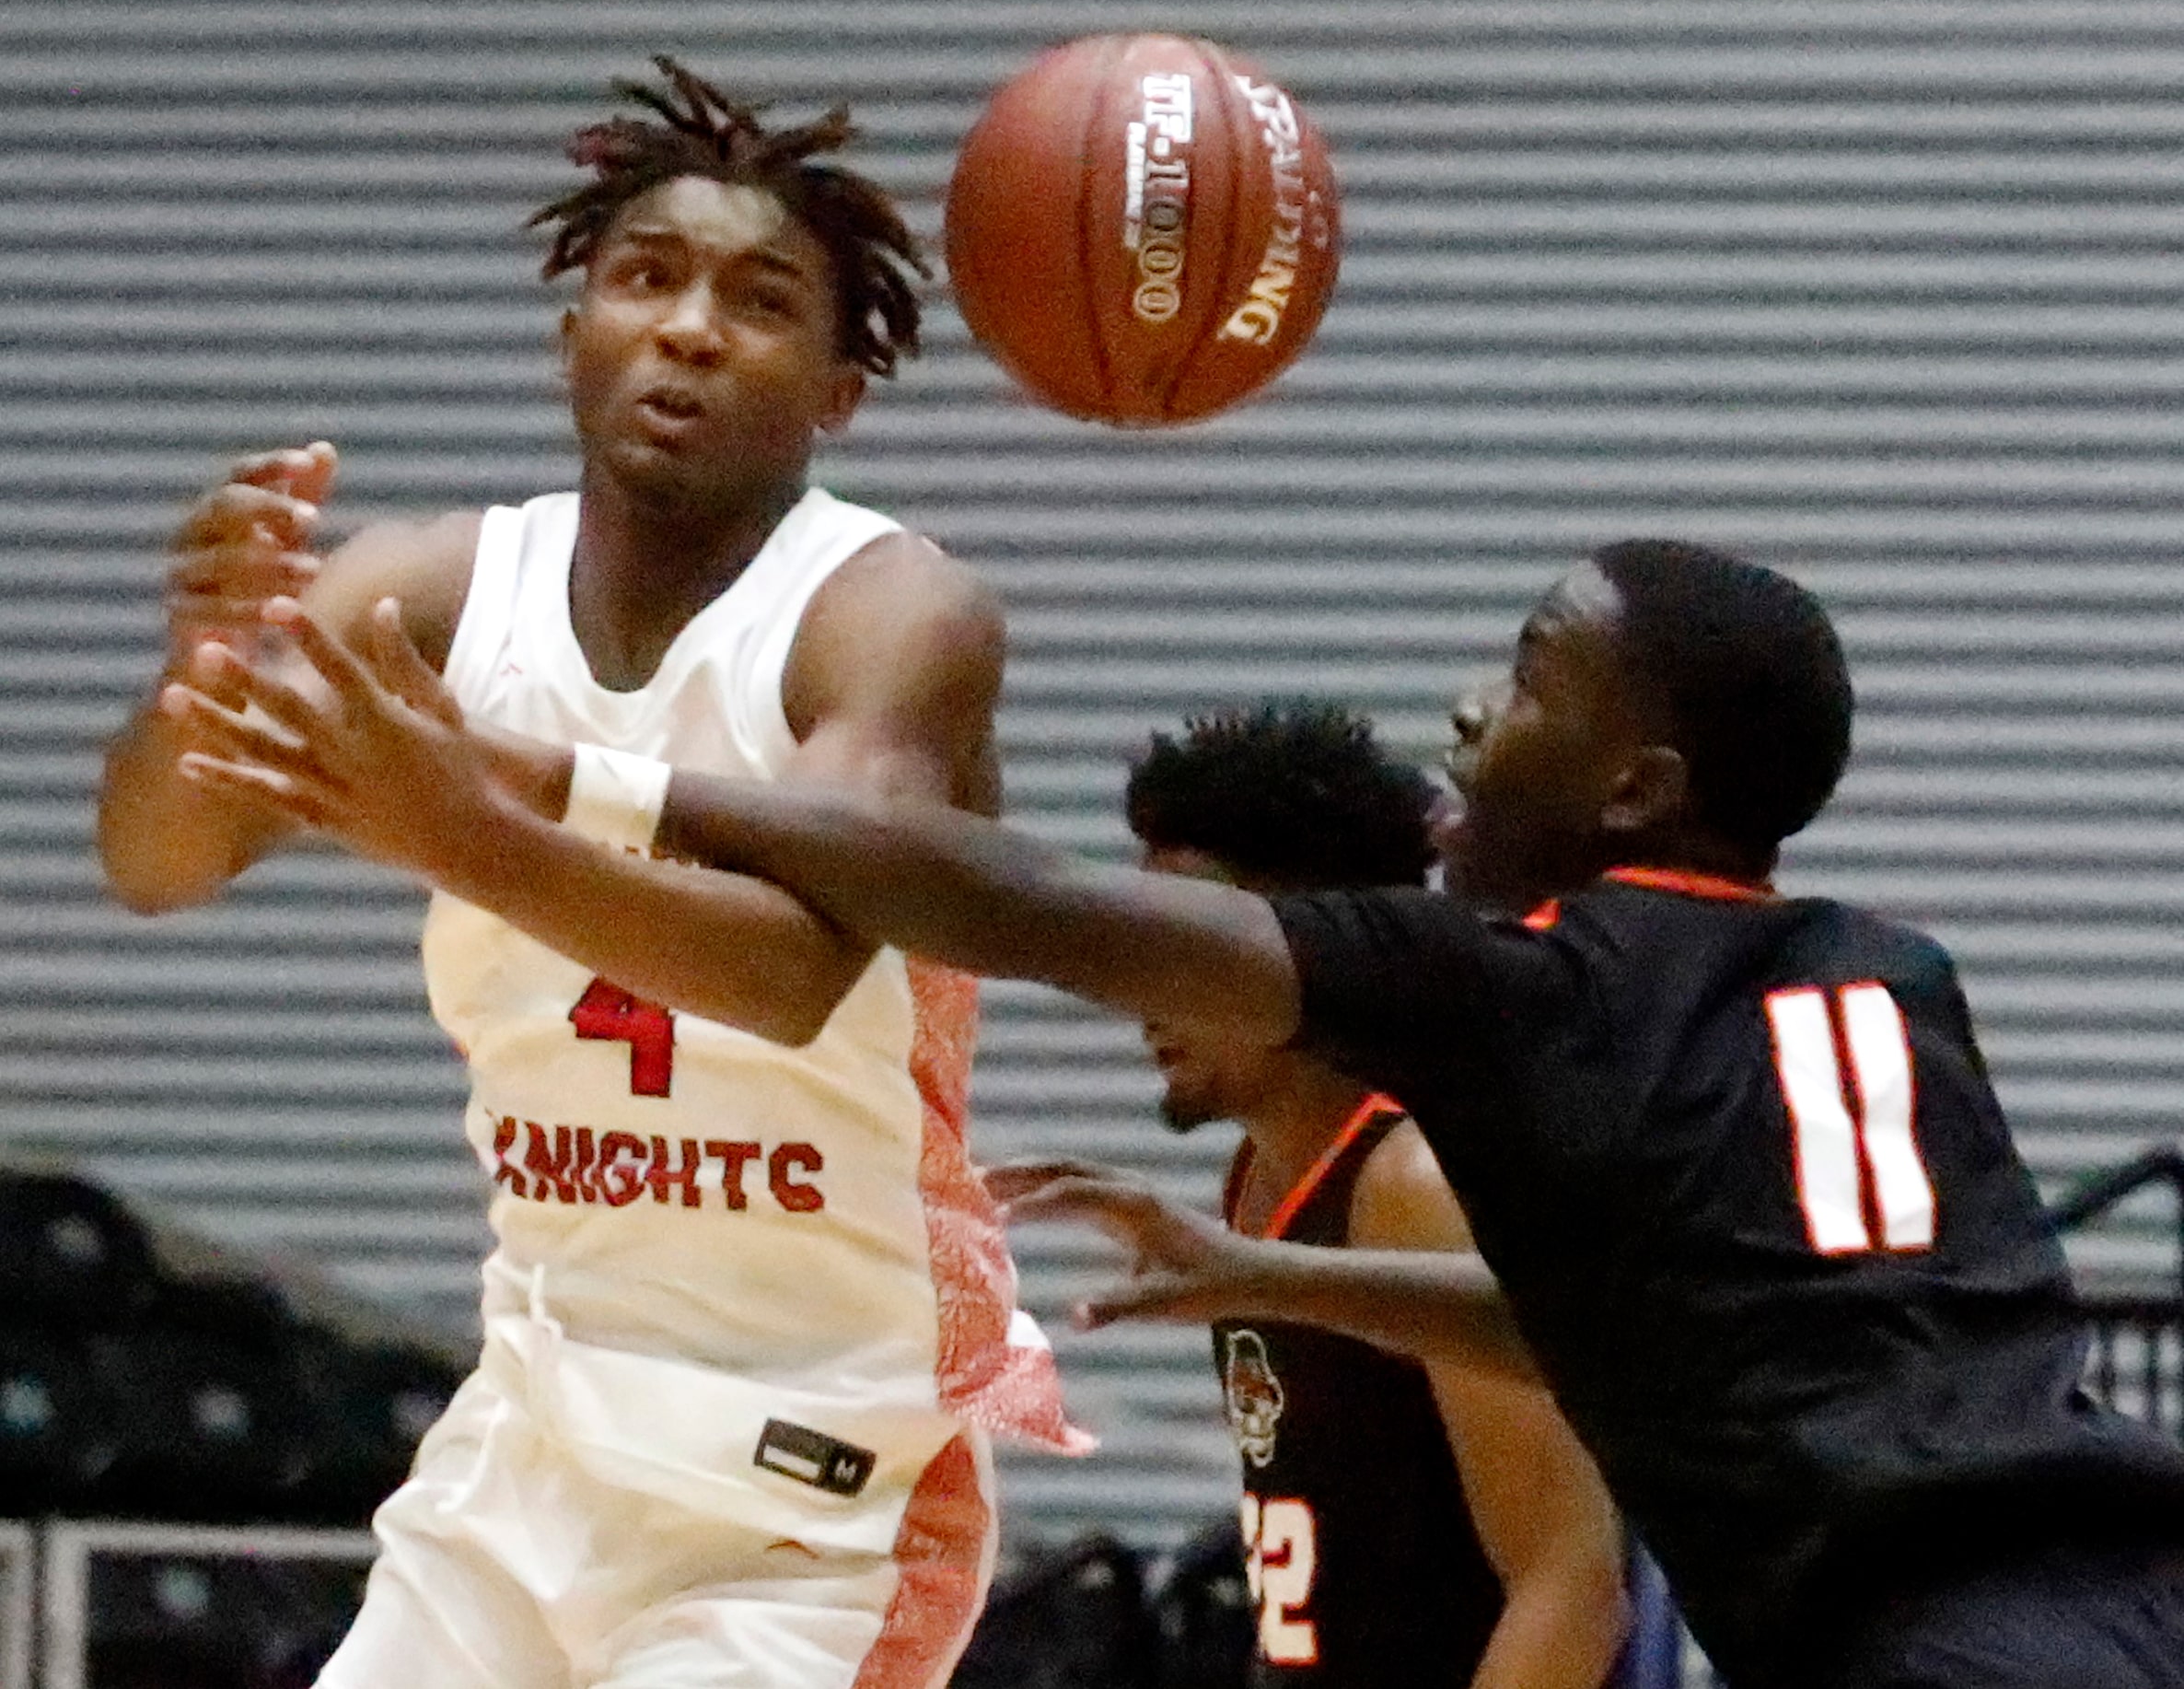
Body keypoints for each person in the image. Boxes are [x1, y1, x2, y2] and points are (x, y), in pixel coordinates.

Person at [164, 535, 2184, 1687]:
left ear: (1639, 785)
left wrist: (556, 786)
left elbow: (1019, 907)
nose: (1472, 720)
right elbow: (1676, 1336)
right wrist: (1263, 1272)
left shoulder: (1518, 986)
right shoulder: (1887, 975)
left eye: (1528, 672)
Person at [99, 57, 1080, 1689]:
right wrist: (201, 672)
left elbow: (793, 970)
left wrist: (472, 835)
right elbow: (158, 861)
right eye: (645, 277)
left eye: (759, 300)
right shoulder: (428, 584)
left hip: (816, 1482)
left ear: (840, 389)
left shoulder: (891, 614)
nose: (689, 325)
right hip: (531, 1442)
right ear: (576, 334)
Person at [1107, 700, 1627, 1688]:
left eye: (1176, 950)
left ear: (1295, 955)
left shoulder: (1411, 1182)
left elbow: (1570, 1587)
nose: (1140, 995)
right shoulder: (1258, 1173)